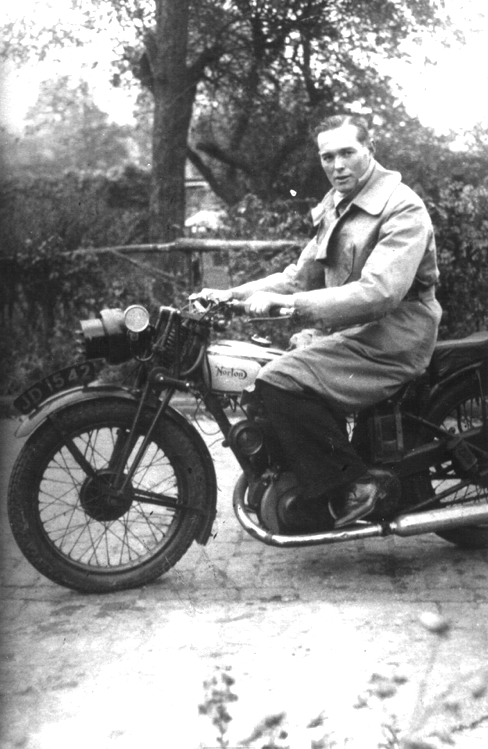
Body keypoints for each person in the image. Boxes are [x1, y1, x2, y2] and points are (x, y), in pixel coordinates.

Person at [195, 114, 442, 529]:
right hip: (353, 333)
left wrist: (293, 306)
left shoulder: (402, 206)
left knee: (279, 380)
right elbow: (298, 278)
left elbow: (380, 292)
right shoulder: (337, 204)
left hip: (394, 336)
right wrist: (231, 297)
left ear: (370, 149)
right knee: (263, 376)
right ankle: (298, 481)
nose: (337, 165)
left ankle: (354, 486)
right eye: (328, 157)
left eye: (347, 153)